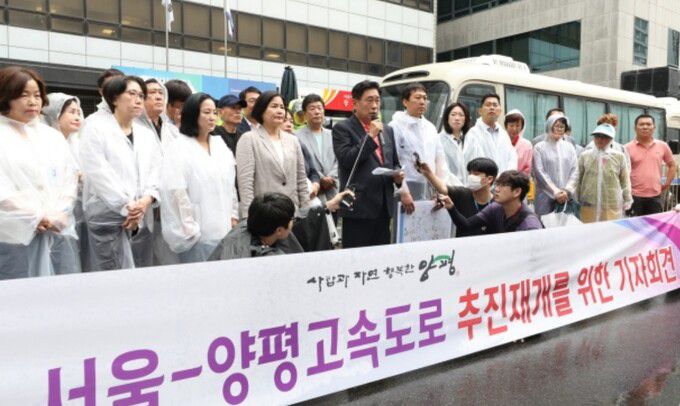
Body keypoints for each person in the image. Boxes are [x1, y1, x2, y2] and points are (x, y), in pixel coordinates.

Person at [0, 67, 79, 279]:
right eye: (23, 95)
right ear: (5, 96)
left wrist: (60, 212)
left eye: (36, 95)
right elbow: (3, 191)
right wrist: (35, 216)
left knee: (61, 289)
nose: (32, 101)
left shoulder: (51, 137)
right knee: (17, 291)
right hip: (14, 236)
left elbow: (69, 179)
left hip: (56, 229)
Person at [79, 75, 161, 271]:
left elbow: (156, 170)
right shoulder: (95, 128)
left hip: (140, 214)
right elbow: (99, 172)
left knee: (139, 271)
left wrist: (146, 200)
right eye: (131, 94)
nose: (138, 100)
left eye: (141, 95)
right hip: (107, 215)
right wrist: (126, 206)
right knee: (112, 273)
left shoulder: (146, 135)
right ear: (114, 98)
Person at [160, 93, 238, 263]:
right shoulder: (179, 147)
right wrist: (189, 229)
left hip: (224, 229)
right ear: (193, 114)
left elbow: (230, 184)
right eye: (206, 112)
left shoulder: (219, 144)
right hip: (197, 235)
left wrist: (233, 214)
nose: (212, 117)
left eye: (214, 112)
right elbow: (176, 192)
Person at [332, 80, 404, 248]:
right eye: (369, 100)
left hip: (384, 207)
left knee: (381, 256)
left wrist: (398, 176)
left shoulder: (387, 129)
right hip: (358, 206)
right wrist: (370, 136)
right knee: (357, 257)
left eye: (377, 100)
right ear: (355, 103)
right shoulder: (342, 128)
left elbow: (393, 162)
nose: (374, 105)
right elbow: (347, 160)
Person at [235, 91, 310, 218]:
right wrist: (248, 217)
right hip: (264, 215)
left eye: (282, 107)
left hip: (293, 214)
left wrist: (306, 212)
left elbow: (301, 179)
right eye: (274, 106)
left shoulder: (293, 140)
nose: (280, 111)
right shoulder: (249, 139)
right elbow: (246, 184)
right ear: (261, 110)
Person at [389, 83, 454, 214]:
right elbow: (393, 162)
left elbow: (439, 160)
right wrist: (403, 191)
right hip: (407, 186)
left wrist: (440, 190)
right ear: (405, 102)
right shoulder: (395, 126)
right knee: (404, 223)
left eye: (425, 98)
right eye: (417, 98)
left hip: (430, 187)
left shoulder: (430, 127)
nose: (422, 102)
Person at [42, 92, 87, 272]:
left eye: (78, 112)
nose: (77, 117)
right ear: (55, 114)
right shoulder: (46, 143)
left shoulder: (76, 143)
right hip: (51, 219)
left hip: (73, 217)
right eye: (71, 112)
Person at [439, 170, 543, 233]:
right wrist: (451, 207)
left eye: (502, 186)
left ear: (517, 192)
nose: (496, 189)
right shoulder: (496, 208)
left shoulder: (530, 225)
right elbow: (466, 225)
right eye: (497, 185)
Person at [208, 193, 302, 260]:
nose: (293, 222)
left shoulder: (253, 224)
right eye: (292, 219)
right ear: (279, 231)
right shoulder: (244, 258)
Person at [419, 157, 498, 237]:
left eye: (476, 174)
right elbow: (443, 189)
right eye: (470, 173)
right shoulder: (462, 194)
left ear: (489, 179)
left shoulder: (498, 203)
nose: (471, 177)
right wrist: (429, 174)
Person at [575, 124, 632, 223]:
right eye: (597, 136)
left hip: (611, 203)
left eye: (605, 137)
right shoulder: (585, 156)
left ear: (611, 139)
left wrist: (627, 199)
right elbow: (577, 178)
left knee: (609, 229)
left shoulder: (619, 157)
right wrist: (576, 198)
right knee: (589, 229)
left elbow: (625, 180)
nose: (600, 140)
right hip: (589, 202)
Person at [626, 114, 677, 216]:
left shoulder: (662, 146)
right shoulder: (627, 148)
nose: (645, 127)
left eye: (648, 124)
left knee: (653, 225)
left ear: (654, 127)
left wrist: (667, 184)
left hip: (655, 197)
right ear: (635, 128)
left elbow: (672, 165)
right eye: (641, 124)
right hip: (633, 196)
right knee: (634, 225)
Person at [296, 94, 339, 206]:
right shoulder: (296, 136)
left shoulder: (333, 135)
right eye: (312, 108)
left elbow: (339, 159)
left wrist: (331, 177)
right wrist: (321, 179)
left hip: (333, 190)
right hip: (311, 192)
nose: (317, 112)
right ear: (305, 113)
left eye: (320, 108)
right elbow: (302, 163)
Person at [532, 115, 578, 216]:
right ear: (549, 126)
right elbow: (539, 172)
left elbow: (575, 170)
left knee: (565, 223)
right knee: (544, 223)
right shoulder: (539, 148)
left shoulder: (569, 147)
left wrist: (567, 191)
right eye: (556, 126)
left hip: (566, 197)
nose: (559, 129)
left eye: (562, 127)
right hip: (545, 196)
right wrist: (555, 191)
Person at [463, 94, 517, 174]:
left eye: (495, 105)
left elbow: (512, 160)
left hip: (504, 181)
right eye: (488, 105)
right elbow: (469, 162)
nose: (492, 108)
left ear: (500, 111)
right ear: (480, 111)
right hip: (482, 181)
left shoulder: (504, 135)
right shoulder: (473, 134)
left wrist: (506, 178)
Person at [439, 102, 471, 186]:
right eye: (453, 114)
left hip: (469, 188)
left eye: (461, 115)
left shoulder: (471, 140)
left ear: (466, 119)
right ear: (447, 117)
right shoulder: (438, 140)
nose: (457, 118)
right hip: (447, 187)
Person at [504, 109, 532, 176]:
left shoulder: (527, 145)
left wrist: (517, 179)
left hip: (520, 180)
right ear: (506, 126)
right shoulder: (500, 141)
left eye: (517, 126)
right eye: (511, 125)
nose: (514, 129)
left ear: (522, 127)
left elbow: (528, 167)